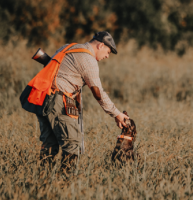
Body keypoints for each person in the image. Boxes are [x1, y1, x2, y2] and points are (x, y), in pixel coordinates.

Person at [37, 31, 129, 167]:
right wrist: (117, 114)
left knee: (50, 143)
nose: (107, 56)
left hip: (43, 98)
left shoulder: (68, 47)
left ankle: (42, 179)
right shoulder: (88, 60)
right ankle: (66, 181)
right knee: (73, 144)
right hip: (58, 101)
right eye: (108, 52)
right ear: (100, 46)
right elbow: (98, 93)